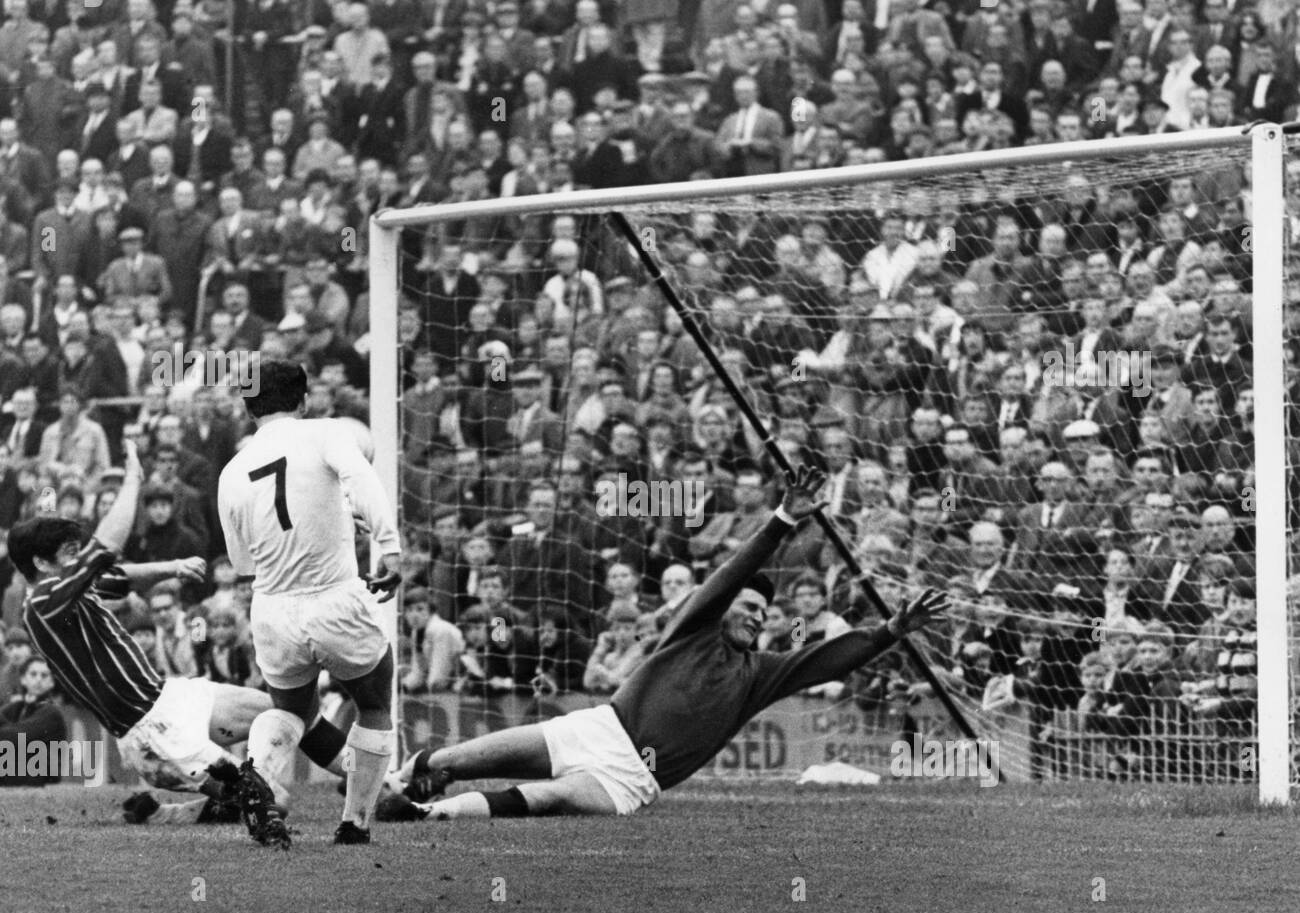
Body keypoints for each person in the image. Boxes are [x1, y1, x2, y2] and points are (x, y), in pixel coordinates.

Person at [393, 467, 947, 818]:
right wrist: (780, 521)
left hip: (635, 776)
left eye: (765, 614)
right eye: (749, 607)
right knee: (478, 753)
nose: (757, 618)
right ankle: (412, 774)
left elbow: (826, 660)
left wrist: (888, 632)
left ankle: (432, 816)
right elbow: (731, 573)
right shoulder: (693, 628)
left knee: (547, 799)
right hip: (601, 725)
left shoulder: (759, 673)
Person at [5, 440, 346, 832]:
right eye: (68, 552)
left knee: (287, 710)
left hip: (173, 696)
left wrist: (174, 566)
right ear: (41, 563)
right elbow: (108, 549)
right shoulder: (43, 601)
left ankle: (375, 783)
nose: (78, 558)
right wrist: (132, 476)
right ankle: (183, 811)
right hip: (153, 732)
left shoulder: (68, 589)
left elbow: (116, 575)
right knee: (275, 802)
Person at [217, 361, 401, 845]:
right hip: (335, 597)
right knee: (375, 699)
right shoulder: (326, 432)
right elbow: (361, 480)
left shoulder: (233, 470)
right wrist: (389, 546)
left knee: (292, 710)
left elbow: (241, 563)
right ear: (302, 401)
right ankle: (354, 823)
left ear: (248, 406)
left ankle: (259, 773)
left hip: (273, 610)